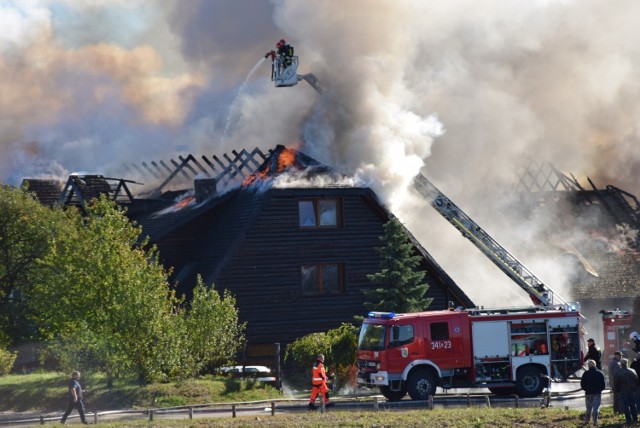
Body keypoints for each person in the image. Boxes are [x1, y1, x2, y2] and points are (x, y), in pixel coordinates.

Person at [580, 359, 606, 426]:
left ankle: (587, 420)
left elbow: (582, 384)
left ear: (588, 366)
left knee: (588, 408)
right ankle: (595, 421)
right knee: (596, 408)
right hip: (597, 393)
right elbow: (603, 385)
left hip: (588, 393)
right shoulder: (600, 373)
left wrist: (586, 389)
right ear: (595, 365)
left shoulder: (585, 374)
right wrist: (600, 390)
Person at [614, 358, 638, 424]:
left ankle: (628, 419)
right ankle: (635, 418)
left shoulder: (618, 372)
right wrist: (635, 388)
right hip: (632, 390)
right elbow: (636, 380)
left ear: (621, 364)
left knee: (625, 406)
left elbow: (616, 383)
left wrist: (617, 390)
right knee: (633, 405)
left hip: (622, 391)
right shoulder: (632, 371)